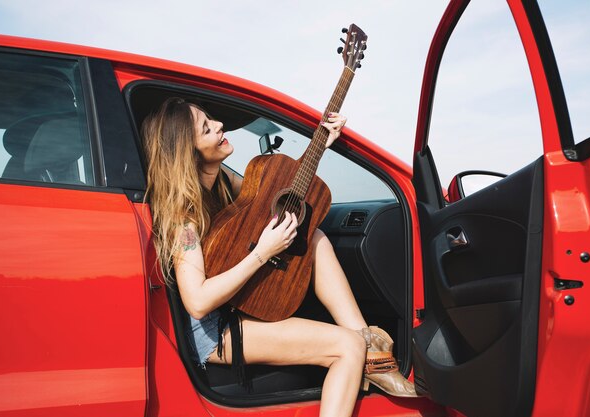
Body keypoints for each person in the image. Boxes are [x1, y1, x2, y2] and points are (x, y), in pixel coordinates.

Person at [142, 97, 416, 417]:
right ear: (188, 153)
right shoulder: (183, 218)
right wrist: (262, 252)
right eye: (206, 128)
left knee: (312, 235)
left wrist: (319, 145)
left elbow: (278, 192)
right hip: (214, 332)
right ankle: (362, 347)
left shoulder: (223, 183)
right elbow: (198, 302)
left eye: (211, 119)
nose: (219, 126)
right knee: (346, 348)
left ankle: (370, 345)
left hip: (238, 304)